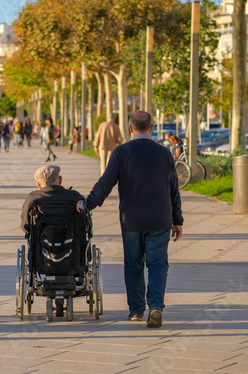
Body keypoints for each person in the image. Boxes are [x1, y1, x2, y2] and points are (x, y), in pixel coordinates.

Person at [77, 111, 183, 328]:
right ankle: (155, 306)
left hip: (131, 220)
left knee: (133, 264)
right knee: (157, 265)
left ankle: (136, 310)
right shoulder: (164, 154)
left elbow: (105, 183)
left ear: (129, 128)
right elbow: (174, 189)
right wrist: (177, 219)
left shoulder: (122, 152)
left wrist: (87, 204)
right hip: (160, 220)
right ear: (152, 128)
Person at [21, 165, 83, 235]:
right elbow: (85, 221)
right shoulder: (74, 196)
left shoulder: (32, 197)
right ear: (60, 179)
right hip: (72, 241)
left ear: (38, 184)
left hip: (40, 242)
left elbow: (25, 224)